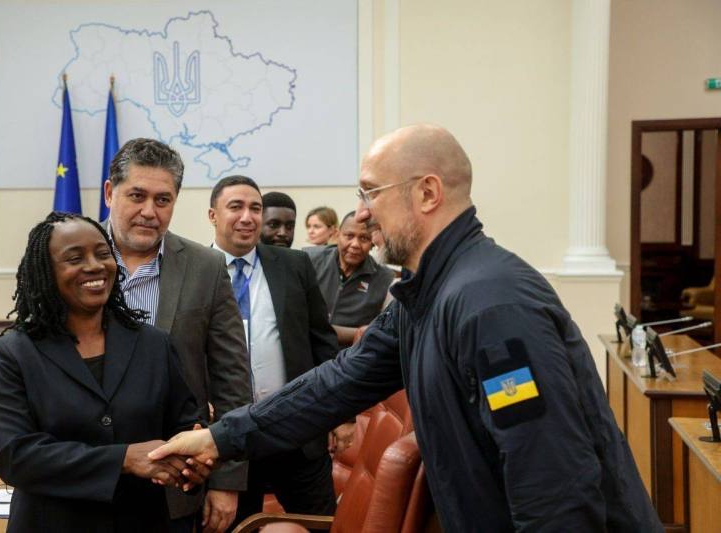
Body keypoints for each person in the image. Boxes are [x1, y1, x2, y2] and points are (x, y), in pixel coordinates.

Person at [151, 125, 663, 532]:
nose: (362, 214)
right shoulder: (423, 294)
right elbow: (336, 383)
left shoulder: (491, 305)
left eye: (371, 192)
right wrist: (220, 437)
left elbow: (550, 478)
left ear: (427, 193)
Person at [0, 212, 210, 532]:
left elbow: (184, 424)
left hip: (142, 521)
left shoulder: (154, 344)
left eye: (103, 253)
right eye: (75, 258)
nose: (94, 266)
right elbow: (13, 454)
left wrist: (192, 462)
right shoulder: (14, 353)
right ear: (45, 271)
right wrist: (124, 459)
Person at [103, 138, 251, 533]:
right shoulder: (71, 258)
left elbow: (232, 381)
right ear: (110, 193)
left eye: (163, 200)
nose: (149, 211)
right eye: (137, 196)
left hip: (178, 483)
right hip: (89, 484)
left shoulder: (206, 267)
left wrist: (226, 481)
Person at [208, 175, 355, 528]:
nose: (247, 217)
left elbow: (322, 341)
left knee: (321, 523)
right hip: (230, 441)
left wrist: (342, 415)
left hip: (297, 433)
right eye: (236, 207)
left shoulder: (294, 265)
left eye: (255, 208)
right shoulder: (195, 270)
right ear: (213, 215)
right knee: (239, 527)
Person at [304, 211, 394, 346]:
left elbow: (382, 331)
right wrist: (356, 333)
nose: (355, 244)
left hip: (350, 355)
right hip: (308, 350)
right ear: (337, 235)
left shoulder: (385, 278)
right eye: (349, 236)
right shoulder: (309, 260)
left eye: (364, 238)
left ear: (372, 242)